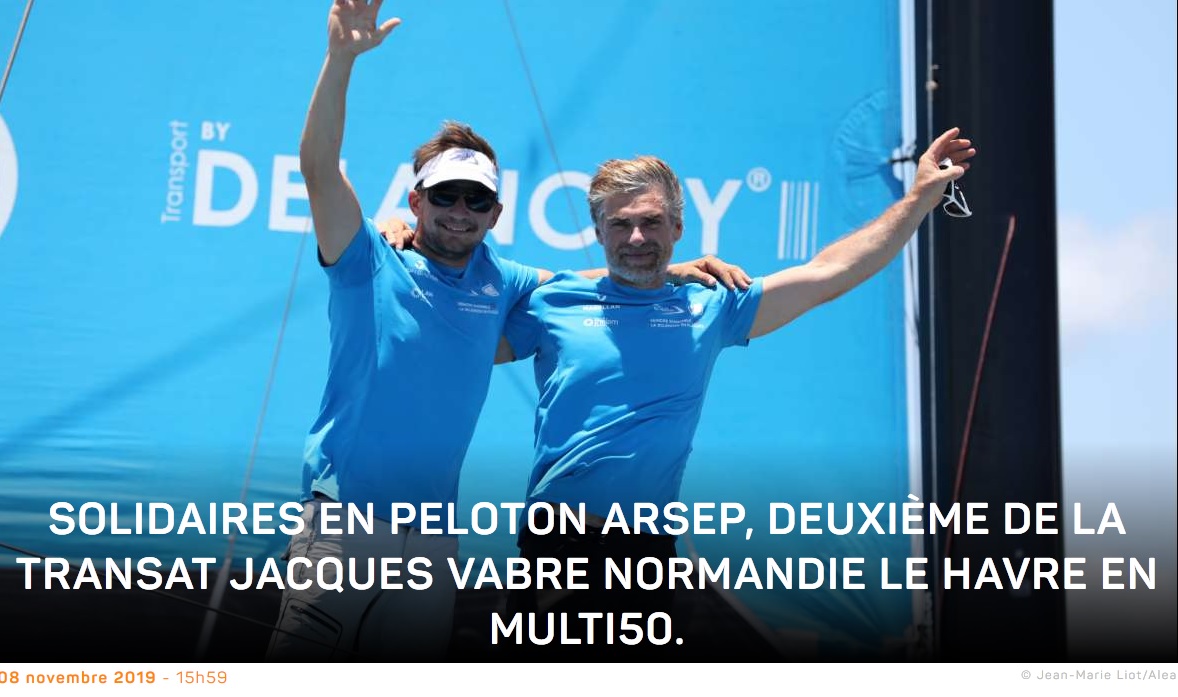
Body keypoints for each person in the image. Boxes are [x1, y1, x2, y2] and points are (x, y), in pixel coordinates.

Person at [268, 0, 745, 660]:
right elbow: (320, 169)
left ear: (495, 213)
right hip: (343, 525)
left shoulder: (505, 280)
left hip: (434, 545)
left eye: (477, 199)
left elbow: (590, 286)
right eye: (444, 195)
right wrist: (340, 60)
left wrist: (668, 268)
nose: (460, 210)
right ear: (415, 200)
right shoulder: (366, 258)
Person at [500, 130, 975, 653]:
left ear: (678, 227)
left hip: (648, 556)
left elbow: (830, 273)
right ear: (597, 231)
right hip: (559, 547)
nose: (636, 237)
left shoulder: (712, 306)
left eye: (651, 222)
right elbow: (453, 335)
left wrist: (919, 197)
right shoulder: (554, 302)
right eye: (620, 224)